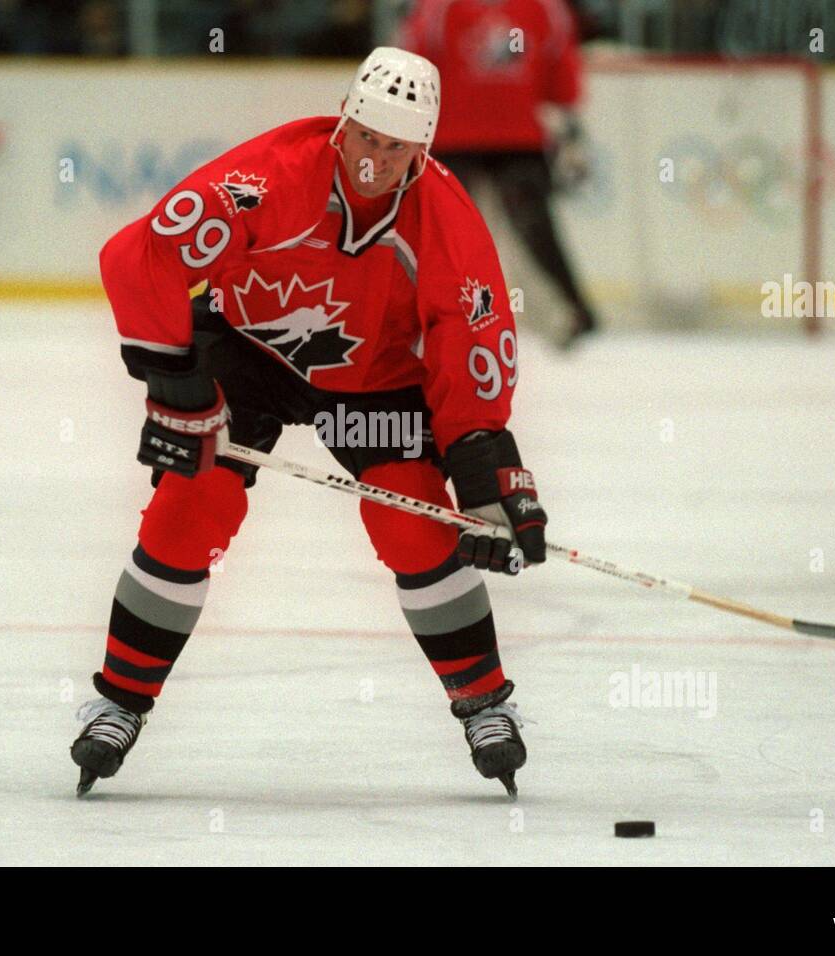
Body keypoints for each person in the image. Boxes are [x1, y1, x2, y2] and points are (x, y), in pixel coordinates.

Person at [70, 48, 549, 798]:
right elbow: (141, 255)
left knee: (415, 526)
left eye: (393, 147)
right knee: (191, 505)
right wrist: (177, 383)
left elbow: (472, 345)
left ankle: (486, 702)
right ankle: (118, 701)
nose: (372, 157)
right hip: (246, 351)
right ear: (344, 122)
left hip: (373, 384)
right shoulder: (269, 178)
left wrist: (487, 467)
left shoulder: (447, 224)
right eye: (364, 136)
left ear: (420, 151)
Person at [398, 0, 600, 347]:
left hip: (462, 137)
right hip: (506, 138)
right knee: (530, 230)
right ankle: (573, 310)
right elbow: (562, 77)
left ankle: (418, 315)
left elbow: (413, 67)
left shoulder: (437, 8)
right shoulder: (545, 9)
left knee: (442, 234)